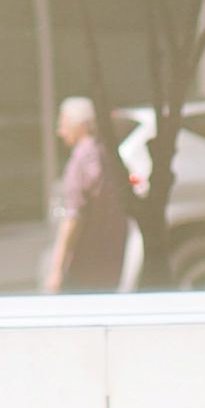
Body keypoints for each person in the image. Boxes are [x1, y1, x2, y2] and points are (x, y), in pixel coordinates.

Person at [42, 95, 135, 294]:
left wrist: (56, 268)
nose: (60, 132)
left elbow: (73, 217)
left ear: (80, 126)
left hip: (85, 261)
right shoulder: (107, 155)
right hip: (110, 257)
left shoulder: (81, 161)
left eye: (64, 124)